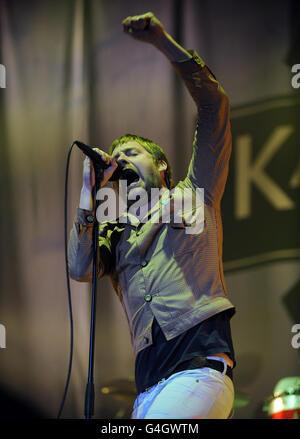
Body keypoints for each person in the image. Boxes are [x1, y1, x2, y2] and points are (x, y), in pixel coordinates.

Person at [68, 12, 236, 419]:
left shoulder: (194, 193)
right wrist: (90, 191)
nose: (121, 160)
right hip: (148, 389)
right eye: (117, 156)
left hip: (196, 374)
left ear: (160, 165)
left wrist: (163, 42)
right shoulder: (114, 230)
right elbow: (79, 267)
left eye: (132, 153)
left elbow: (215, 106)